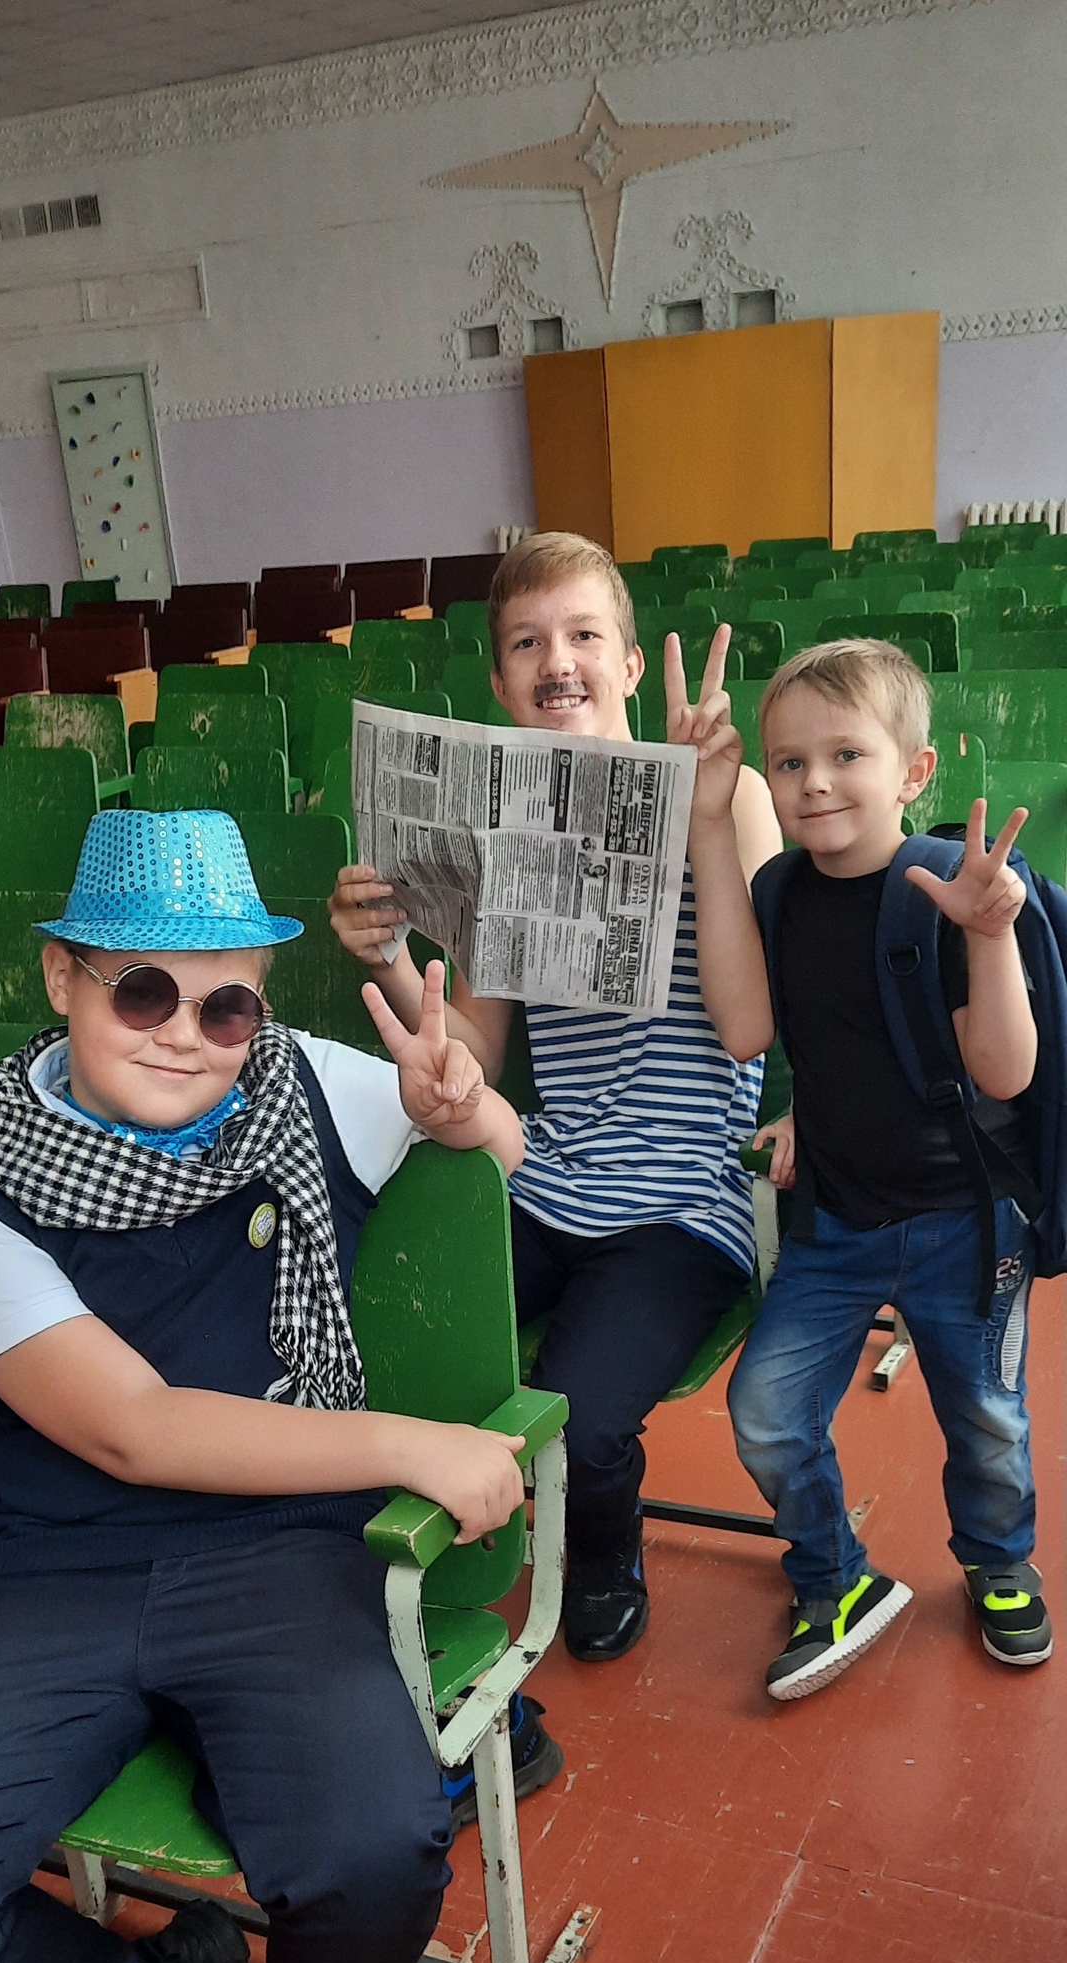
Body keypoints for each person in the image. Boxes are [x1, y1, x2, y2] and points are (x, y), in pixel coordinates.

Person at [0, 808, 543, 1963]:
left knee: (377, 1845)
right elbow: (135, 1428)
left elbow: (506, 1160)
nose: (186, 1034)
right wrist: (404, 1442)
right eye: (142, 990)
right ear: (63, 976)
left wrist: (462, 1111)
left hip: (278, 1554)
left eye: (226, 1002)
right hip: (68, 1566)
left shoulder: (302, 1086)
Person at [330, 533, 781, 1662]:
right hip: (544, 1171)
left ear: (628, 664)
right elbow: (474, 1048)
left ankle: (603, 1549)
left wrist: (706, 820)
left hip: (680, 1200)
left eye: (584, 636)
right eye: (528, 644)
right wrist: (388, 957)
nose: (558, 661)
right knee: (401, 1320)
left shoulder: (732, 799)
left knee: (582, 1411)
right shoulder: (505, 833)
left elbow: (750, 1027)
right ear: (500, 682)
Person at [686, 636, 1051, 1703]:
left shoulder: (944, 889)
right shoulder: (778, 891)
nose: (815, 782)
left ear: (914, 771)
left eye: (846, 754)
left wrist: (990, 934)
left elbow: (1004, 1071)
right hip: (837, 1224)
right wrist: (708, 820)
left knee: (986, 1418)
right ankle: (835, 1575)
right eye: (789, 762)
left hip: (965, 1224)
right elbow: (749, 1030)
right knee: (765, 1410)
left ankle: (999, 1560)